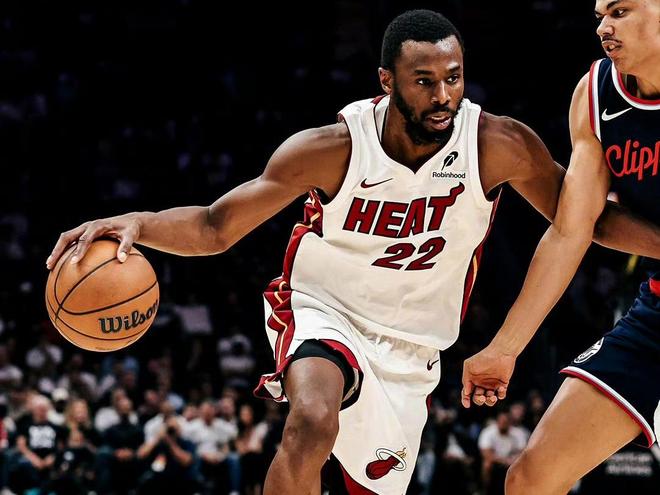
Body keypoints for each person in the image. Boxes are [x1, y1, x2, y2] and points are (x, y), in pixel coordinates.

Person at [46, 9, 660, 494]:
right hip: (323, 308)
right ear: (387, 82)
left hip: (413, 348)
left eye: (453, 78)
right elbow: (214, 227)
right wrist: (138, 222)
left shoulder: (498, 145)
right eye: (424, 81)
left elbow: (585, 223)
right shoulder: (331, 148)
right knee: (313, 417)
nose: (443, 95)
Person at [460, 1, 660, 493]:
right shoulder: (597, 94)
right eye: (600, 15)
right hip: (656, 314)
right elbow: (574, 228)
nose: (604, 26)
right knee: (531, 478)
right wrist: (504, 348)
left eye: (620, 11)